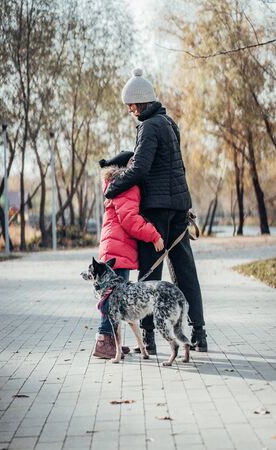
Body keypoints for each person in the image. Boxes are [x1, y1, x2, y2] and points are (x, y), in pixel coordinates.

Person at [105, 68, 207, 353]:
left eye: (131, 106)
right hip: (179, 208)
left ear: (140, 103)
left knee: (150, 274)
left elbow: (140, 169)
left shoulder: (148, 127)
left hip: (157, 209)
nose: (129, 111)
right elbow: (153, 158)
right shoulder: (168, 122)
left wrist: (112, 188)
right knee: (185, 270)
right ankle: (199, 332)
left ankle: (148, 338)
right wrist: (118, 158)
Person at [93, 150, 164, 359]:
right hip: (118, 250)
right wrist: (154, 236)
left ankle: (110, 342)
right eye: (135, 162)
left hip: (113, 247)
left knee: (111, 299)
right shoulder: (126, 185)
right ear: (127, 166)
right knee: (113, 300)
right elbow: (130, 220)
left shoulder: (114, 185)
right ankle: (104, 343)